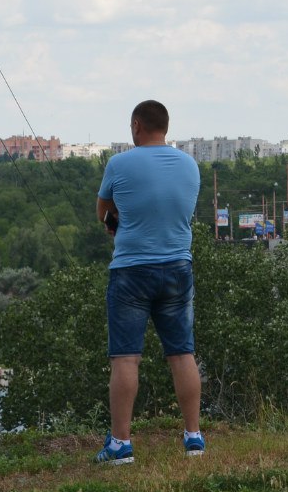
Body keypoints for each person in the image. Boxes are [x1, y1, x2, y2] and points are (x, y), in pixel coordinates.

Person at [94, 100, 203, 465]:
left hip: (131, 272)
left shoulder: (119, 163)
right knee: (181, 352)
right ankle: (193, 437)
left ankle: (121, 444)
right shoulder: (190, 165)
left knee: (126, 358)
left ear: (136, 125)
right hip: (177, 268)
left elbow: (103, 211)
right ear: (166, 127)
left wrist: (118, 221)